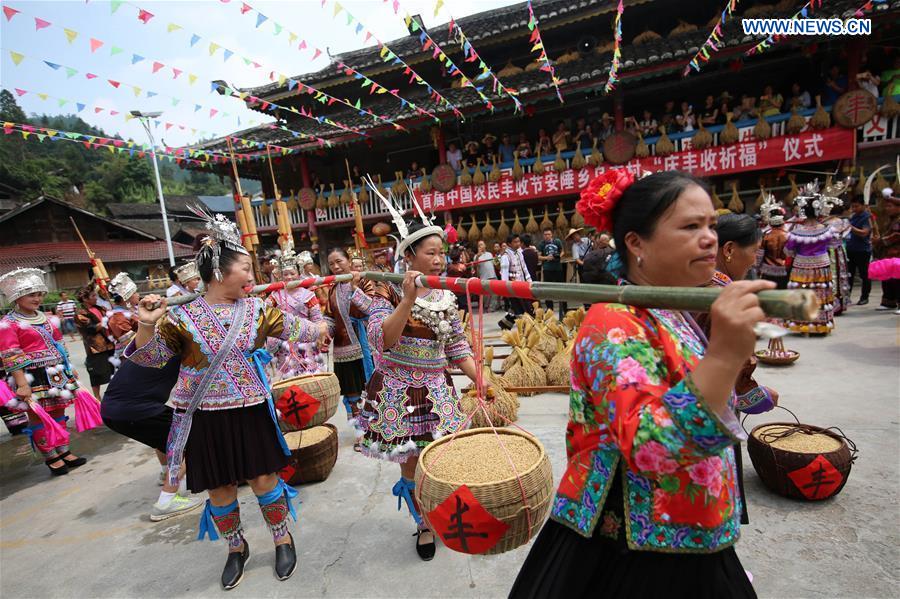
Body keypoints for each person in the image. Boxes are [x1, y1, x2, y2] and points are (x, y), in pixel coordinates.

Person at [510, 169, 764, 598]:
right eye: (690, 226)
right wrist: (722, 354)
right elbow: (653, 447)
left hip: (693, 531)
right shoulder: (613, 322)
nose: (709, 240)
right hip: (636, 548)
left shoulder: (669, 310)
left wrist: (738, 374)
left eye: (711, 226)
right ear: (636, 243)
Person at [128, 211, 321, 589]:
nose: (253, 276)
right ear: (219, 270)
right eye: (246, 268)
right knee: (220, 487)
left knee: (264, 478)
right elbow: (150, 359)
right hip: (203, 416)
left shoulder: (258, 309)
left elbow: (305, 331)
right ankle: (236, 548)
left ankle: (282, 538)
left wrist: (322, 324)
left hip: (250, 410)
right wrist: (146, 322)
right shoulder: (180, 318)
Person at [357, 218, 478, 561]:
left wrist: (480, 378)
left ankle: (443, 512)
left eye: (442, 253)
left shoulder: (444, 293)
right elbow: (383, 340)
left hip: (437, 388)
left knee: (442, 460)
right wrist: (407, 300)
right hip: (399, 391)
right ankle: (423, 523)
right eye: (431, 253)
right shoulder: (386, 288)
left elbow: (456, 345)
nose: (439, 259)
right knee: (411, 464)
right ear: (409, 255)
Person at [696, 213, 778, 527]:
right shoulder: (728, 292)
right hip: (714, 402)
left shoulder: (687, 281)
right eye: (754, 250)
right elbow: (738, 369)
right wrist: (755, 395)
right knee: (716, 492)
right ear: (728, 249)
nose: (755, 258)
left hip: (682, 400)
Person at [0, 268, 91, 476]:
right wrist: (22, 383)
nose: (38, 298)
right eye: (32, 294)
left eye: (40, 294)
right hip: (30, 376)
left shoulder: (46, 317)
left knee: (59, 412)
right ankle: (51, 456)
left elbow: (60, 343)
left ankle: (64, 451)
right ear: (17, 296)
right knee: (38, 417)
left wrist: (70, 368)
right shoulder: (7, 324)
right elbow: (11, 354)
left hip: (56, 372)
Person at [102, 355, 204, 521]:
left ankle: (166, 473)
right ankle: (167, 499)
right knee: (197, 436)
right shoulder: (185, 344)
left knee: (163, 430)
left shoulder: (154, 342)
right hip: (137, 410)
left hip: (110, 410)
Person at [323, 247, 375, 447]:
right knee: (352, 395)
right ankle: (360, 432)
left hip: (365, 346)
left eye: (339, 261)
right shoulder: (332, 288)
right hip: (343, 349)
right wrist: (323, 330)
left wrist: (354, 288)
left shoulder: (364, 281)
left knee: (370, 389)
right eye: (332, 263)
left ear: (348, 261)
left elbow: (372, 308)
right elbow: (330, 317)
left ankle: (375, 427)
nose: (336, 266)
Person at [784, 182, 844, 334]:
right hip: (821, 265)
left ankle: (803, 324)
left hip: (801, 267)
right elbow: (834, 244)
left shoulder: (797, 231)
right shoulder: (827, 230)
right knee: (820, 294)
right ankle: (821, 325)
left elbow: (788, 251)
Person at [267, 250, 330, 380]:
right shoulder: (275, 296)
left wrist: (319, 333)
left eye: (292, 273)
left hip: (306, 340)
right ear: (280, 276)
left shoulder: (308, 295)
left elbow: (317, 318)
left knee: (311, 376)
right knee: (289, 378)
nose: (289, 277)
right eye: (285, 274)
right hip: (284, 342)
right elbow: (266, 314)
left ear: (299, 273)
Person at [74, 285, 115, 398]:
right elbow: (89, 328)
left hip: (109, 344)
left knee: (111, 371)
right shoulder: (80, 313)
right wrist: (104, 322)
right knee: (96, 374)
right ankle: (97, 397)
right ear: (85, 299)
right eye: (93, 296)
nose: (96, 297)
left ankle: (113, 394)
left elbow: (111, 316)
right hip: (95, 346)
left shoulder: (100, 308)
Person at [106, 272, 141, 371]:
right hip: (129, 357)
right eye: (135, 293)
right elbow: (128, 341)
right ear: (126, 298)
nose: (138, 295)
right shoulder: (117, 317)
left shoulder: (132, 310)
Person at [873, 189, 900, 311]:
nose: (887, 209)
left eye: (890, 206)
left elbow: (896, 236)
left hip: (897, 254)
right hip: (888, 255)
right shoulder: (890, 220)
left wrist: (880, 240)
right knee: (888, 279)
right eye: (886, 206)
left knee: (897, 280)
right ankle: (889, 302)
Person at [845, 197, 873, 305]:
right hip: (851, 249)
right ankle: (847, 297)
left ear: (862, 205)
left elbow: (864, 233)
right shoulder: (853, 216)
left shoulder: (867, 217)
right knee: (849, 275)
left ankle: (864, 297)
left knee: (864, 275)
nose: (854, 208)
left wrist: (850, 227)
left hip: (863, 250)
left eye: (856, 206)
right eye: (853, 206)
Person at [759, 199, 790, 289]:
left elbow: (759, 255)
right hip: (784, 271)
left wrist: (757, 268)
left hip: (768, 272)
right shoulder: (788, 235)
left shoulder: (766, 236)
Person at [500, 234, 533, 316]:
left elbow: (524, 268)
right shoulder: (505, 256)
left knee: (519, 308)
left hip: (522, 284)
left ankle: (504, 325)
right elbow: (504, 273)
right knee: (520, 309)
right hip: (513, 287)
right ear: (509, 244)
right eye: (515, 242)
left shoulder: (520, 253)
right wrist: (505, 288)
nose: (518, 244)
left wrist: (529, 281)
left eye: (518, 241)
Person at [538, 228, 566, 317]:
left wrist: (558, 256)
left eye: (548, 234)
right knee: (548, 289)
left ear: (552, 235)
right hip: (547, 269)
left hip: (558, 268)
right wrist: (546, 258)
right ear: (543, 235)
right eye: (545, 234)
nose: (547, 236)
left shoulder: (557, 241)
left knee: (561, 289)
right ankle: (550, 310)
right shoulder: (541, 244)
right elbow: (538, 256)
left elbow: (562, 251)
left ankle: (564, 309)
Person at [475, 239, 499, 311]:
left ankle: (492, 307)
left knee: (495, 293)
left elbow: (495, 264)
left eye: (482, 244)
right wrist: (477, 257)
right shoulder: (477, 256)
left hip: (493, 276)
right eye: (479, 245)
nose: (481, 246)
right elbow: (475, 267)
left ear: (485, 245)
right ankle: (486, 306)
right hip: (484, 278)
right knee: (486, 295)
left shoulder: (489, 254)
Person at [446, 246, 471, 312]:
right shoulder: (461, 267)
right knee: (464, 308)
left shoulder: (449, 266)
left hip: (453, 290)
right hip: (461, 290)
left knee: (456, 308)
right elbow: (468, 275)